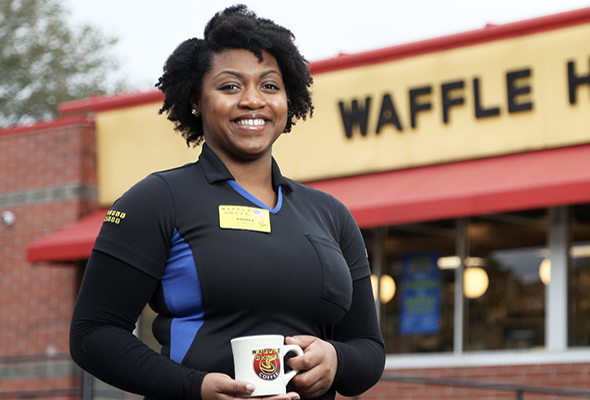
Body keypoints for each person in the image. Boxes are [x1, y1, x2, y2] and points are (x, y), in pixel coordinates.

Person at [69, 5, 385, 400]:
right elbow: (92, 334)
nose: (253, 100)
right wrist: (194, 387)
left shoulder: (331, 215)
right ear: (196, 99)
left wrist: (337, 360)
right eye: (230, 86)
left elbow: (369, 349)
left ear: (289, 100)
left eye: (270, 86)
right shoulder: (157, 199)